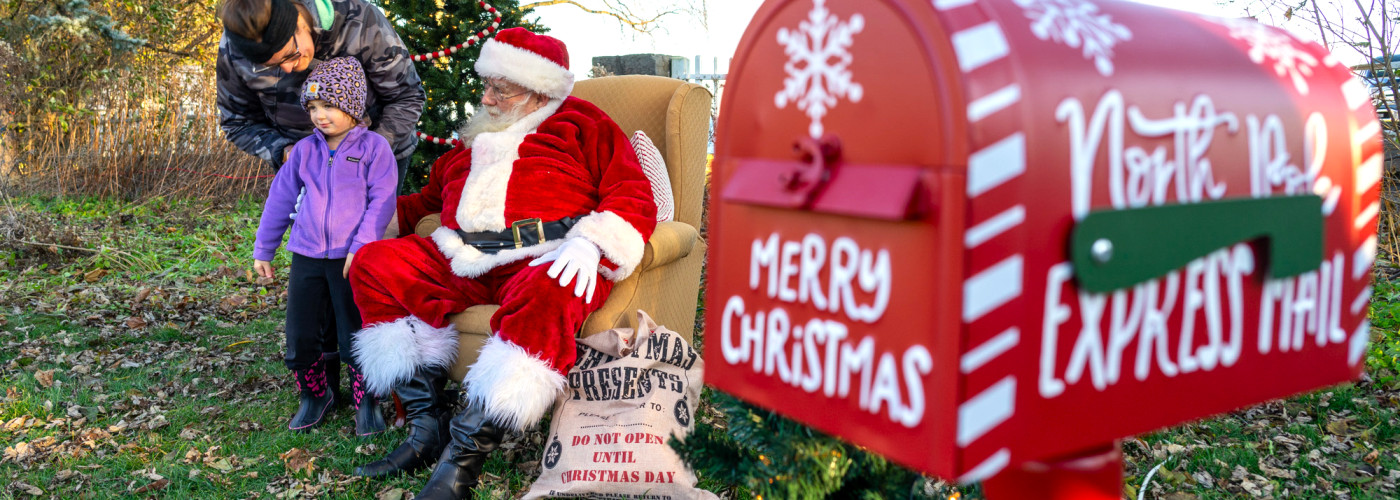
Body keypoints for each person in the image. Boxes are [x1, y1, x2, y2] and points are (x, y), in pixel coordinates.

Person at [345, 28, 656, 500]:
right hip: (461, 258)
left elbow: (632, 192)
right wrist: (366, 215)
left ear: (537, 90)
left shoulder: (583, 123)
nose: (486, 97)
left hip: (546, 256)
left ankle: (462, 460)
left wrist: (592, 244)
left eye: (500, 88)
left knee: (554, 288)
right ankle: (425, 428)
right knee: (376, 263)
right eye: (485, 85)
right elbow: (425, 202)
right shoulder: (478, 134)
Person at [252, 57, 398, 437]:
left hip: (352, 259)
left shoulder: (374, 149)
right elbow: (280, 200)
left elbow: (382, 200)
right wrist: (263, 249)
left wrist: (362, 246)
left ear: (352, 106)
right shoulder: (304, 151)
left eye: (329, 106)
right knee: (302, 330)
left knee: (354, 328)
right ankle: (316, 394)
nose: (319, 115)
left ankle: (367, 399)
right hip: (307, 255)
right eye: (313, 107)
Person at [216, 0, 424, 193]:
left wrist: (369, 153)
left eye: (290, 54)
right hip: (305, 171)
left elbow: (406, 96)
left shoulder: (359, 20)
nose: (288, 68)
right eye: (272, 66)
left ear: (299, 21)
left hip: (379, 157)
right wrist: (285, 152)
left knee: (377, 232)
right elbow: (238, 122)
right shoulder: (238, 43)